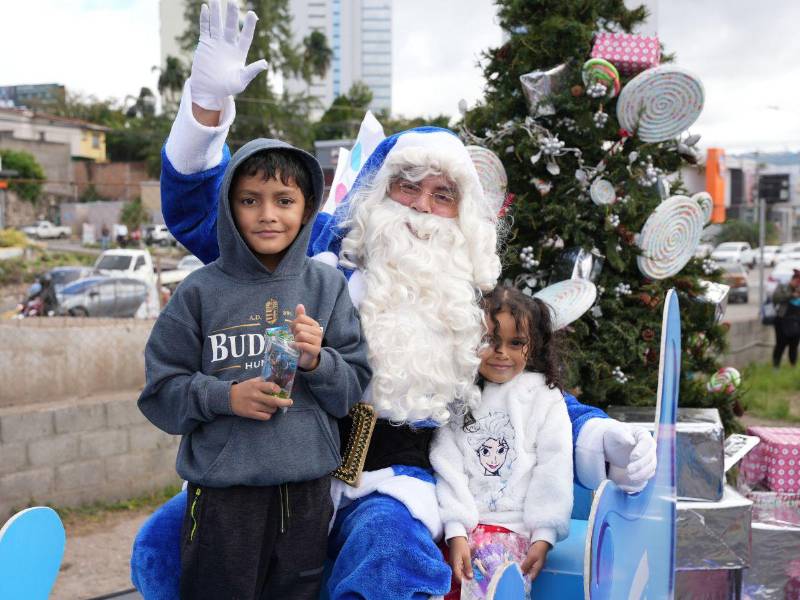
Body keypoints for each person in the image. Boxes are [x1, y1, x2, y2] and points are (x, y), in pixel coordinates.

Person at [132, 2, 657, 598]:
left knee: (390, 555)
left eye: (442, 195)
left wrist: (599, 435)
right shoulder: (320, 255)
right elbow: (211, 212)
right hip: (277, 464)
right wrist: (205, 107)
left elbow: (526, 391)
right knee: (163, 544)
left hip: (395, 479)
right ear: (378, 194)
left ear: (465, 215)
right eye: (407, 187)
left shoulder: (476, 303)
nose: (421, 209)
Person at [136, 75, 371, 597]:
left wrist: (318, 362)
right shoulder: (200, 292)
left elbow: (352, 386)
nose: (268, 214)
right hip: (225, 498)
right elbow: (160, 395)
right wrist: (225, 397)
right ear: (229, 208)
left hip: (307, 494)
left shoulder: (326, 285)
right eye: (250, 200)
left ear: (306, 209)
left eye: (284, 200)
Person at [432, 286, 572, 598]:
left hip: (513, 531)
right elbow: (447, 465)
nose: (501, 352)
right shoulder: (459, 394)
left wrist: (544, 533)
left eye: (516, 343)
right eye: (490, 341)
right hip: (458, 530)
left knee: (489, 586)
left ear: (533, 345)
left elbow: (555, 467)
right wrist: (455, 531)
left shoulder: (544, 396)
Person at [772, 269, 800, 367]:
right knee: (780, 344)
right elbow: (775, 297)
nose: (798, 284)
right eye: (797, 281)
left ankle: (793, 365)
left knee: (794, 345)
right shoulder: (783, 287)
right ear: (793, 279)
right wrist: (791, 295)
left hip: (796, 322)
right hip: (782, 320)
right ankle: (776, 366)